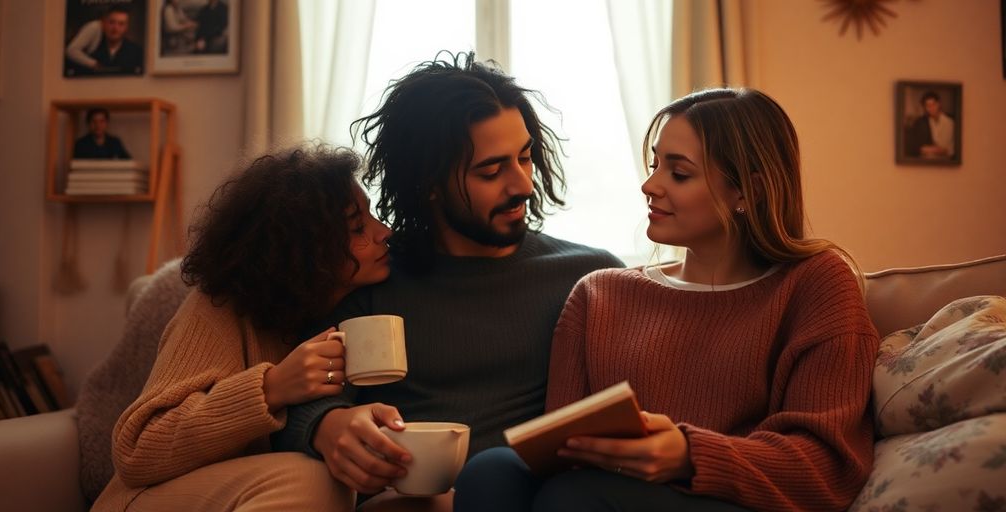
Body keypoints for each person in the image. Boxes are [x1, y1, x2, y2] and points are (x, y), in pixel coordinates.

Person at [454, 88, 880, 512]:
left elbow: (828, 465)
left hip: (734, 499)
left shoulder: (816, 283)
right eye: (656, 164)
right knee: (492, 471)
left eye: (679, 173)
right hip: (598, 491)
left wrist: (689, 455)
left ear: (746, 192)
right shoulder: (598, 293)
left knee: (576, 497)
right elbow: (562, 448)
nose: (649, 184)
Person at [272, 51, 624, 510]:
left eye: (525, 157)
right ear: (429, 182)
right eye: (491, 171)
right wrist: (325, 426)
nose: (522, 185)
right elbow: (302, 401)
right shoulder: (373, 280)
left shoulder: (590, 276)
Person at [91, 145, 393, 511]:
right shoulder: (219, 309)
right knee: (309, 478)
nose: (384, 231)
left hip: (251, 495)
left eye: (373, 216)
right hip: (145, 500)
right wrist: (271, 388)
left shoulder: (354, 310)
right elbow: (138, 449)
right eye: (357, 226)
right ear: (303, 246)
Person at [64, 6, 143, 76]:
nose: (115, 28)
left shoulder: (136, 51)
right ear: (103, 23)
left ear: (127, 27)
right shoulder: (94, 34)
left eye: (121, 24)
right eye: (111, 22)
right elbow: (71, 51)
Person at [905, 91, 955, 159]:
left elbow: (947, 150)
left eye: (933, 104)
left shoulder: (949, 122)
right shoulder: (922, 122)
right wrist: (933, 149)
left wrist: (931, 149)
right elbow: (918, 147)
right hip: (927, 160)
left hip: (946, 161)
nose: (931, 108)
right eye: (928, 106)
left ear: (939, 104)